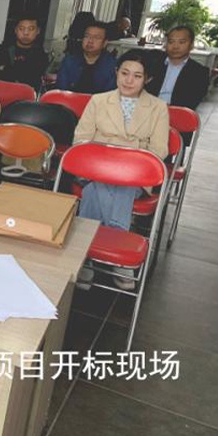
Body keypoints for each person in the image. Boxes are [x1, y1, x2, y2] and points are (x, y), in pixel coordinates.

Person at [73, 51, 168, 288]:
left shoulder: (158, 107)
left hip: (135, 175)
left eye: (137, 76)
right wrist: (105, 161)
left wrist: (127, 163)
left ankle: (84, 256)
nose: (129, 80)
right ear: (116, 72)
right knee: (101, 184)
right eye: (124, 73)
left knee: (103, 190)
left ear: (147, 79)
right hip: (95, 169)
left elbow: (159, 149)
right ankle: (120, 252)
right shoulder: (98, 100)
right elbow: (81, 138)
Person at [145, 25, 210, 110]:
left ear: (191, 45)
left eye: (181, 42)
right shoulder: (153, 62)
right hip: (146, 108)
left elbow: (191, 103)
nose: (175, 46)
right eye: (171, 42)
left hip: (175, 113)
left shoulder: (200, 72)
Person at [0, 13, 50, 91]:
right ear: (15, 30)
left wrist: (6, 69)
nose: (26, 33)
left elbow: (33, 79)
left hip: (26, 95)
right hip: (1, 92)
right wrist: (21, 70)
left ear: (38, 31)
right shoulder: (2, 49)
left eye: (31, 29)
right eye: (21, 28)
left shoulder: (41, 55)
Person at [56, 21, 117, 94]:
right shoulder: (69, 61)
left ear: (105, 43)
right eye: (87, 36)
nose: (90, 41)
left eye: (97, 37)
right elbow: (62, 90)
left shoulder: (111, 65)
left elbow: (109, 95)